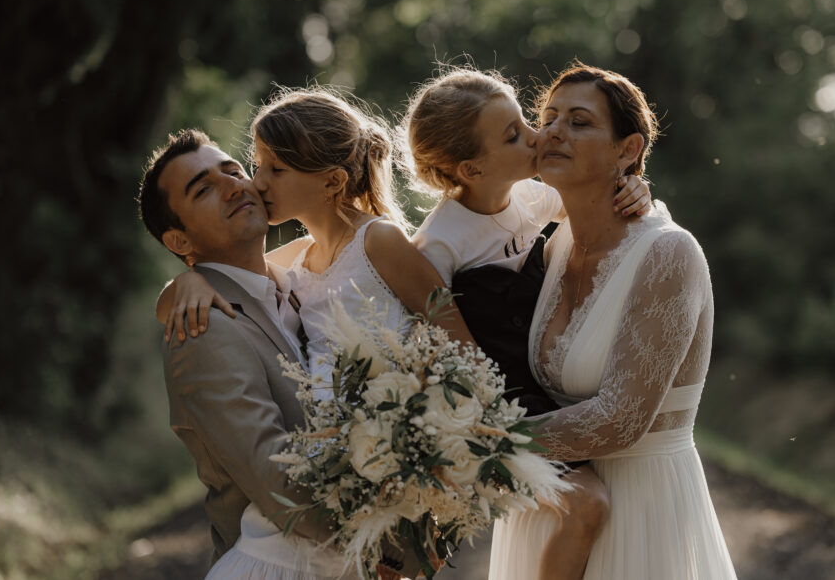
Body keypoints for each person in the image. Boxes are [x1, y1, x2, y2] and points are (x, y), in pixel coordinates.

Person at [156, 88, 466, 578]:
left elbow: (458, 348)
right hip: (298, 550)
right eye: (205, 187)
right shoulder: (264, 284)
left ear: (331, 182)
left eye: (243, 170)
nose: (247, 184)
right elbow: (271, 472)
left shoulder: (346, 253)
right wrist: (181, 282)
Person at [488, 63, 737, 579]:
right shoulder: (549, 244)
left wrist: (480, 447)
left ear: (627, 151)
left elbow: (619, 419)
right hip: (552, 509)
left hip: (640, 513)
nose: (553, 131)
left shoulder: (669, 254)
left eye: (579, 122)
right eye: (549, 117)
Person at [401, 66, 650, 580]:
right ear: (470, 169)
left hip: (551, 380)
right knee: (588, 505)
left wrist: (637, 189)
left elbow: (601, 197)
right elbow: (429, 345)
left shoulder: (535, 198)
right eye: (515, 134)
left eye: (525, 121)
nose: (539, 136)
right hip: (497, 401)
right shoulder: (439, 244)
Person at [138, 130, 375, 578]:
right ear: (180, 243)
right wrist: (383, 541)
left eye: (233, 170)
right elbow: (276, 480)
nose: (233, 185)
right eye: (204, 189)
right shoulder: (202, 327)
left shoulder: (306, 279)